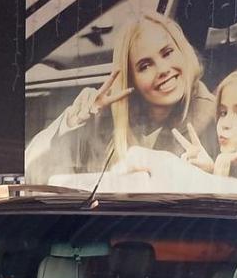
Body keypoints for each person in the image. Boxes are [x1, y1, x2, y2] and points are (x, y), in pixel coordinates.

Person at [25, 11, 216, 183]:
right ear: (131, 79)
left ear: (182, 52)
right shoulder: (105, 119)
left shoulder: (217, 119)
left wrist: (212, 176)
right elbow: (32, 170)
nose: (163, 69)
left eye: (167, 53)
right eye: (145, 66)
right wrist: (72, 122)